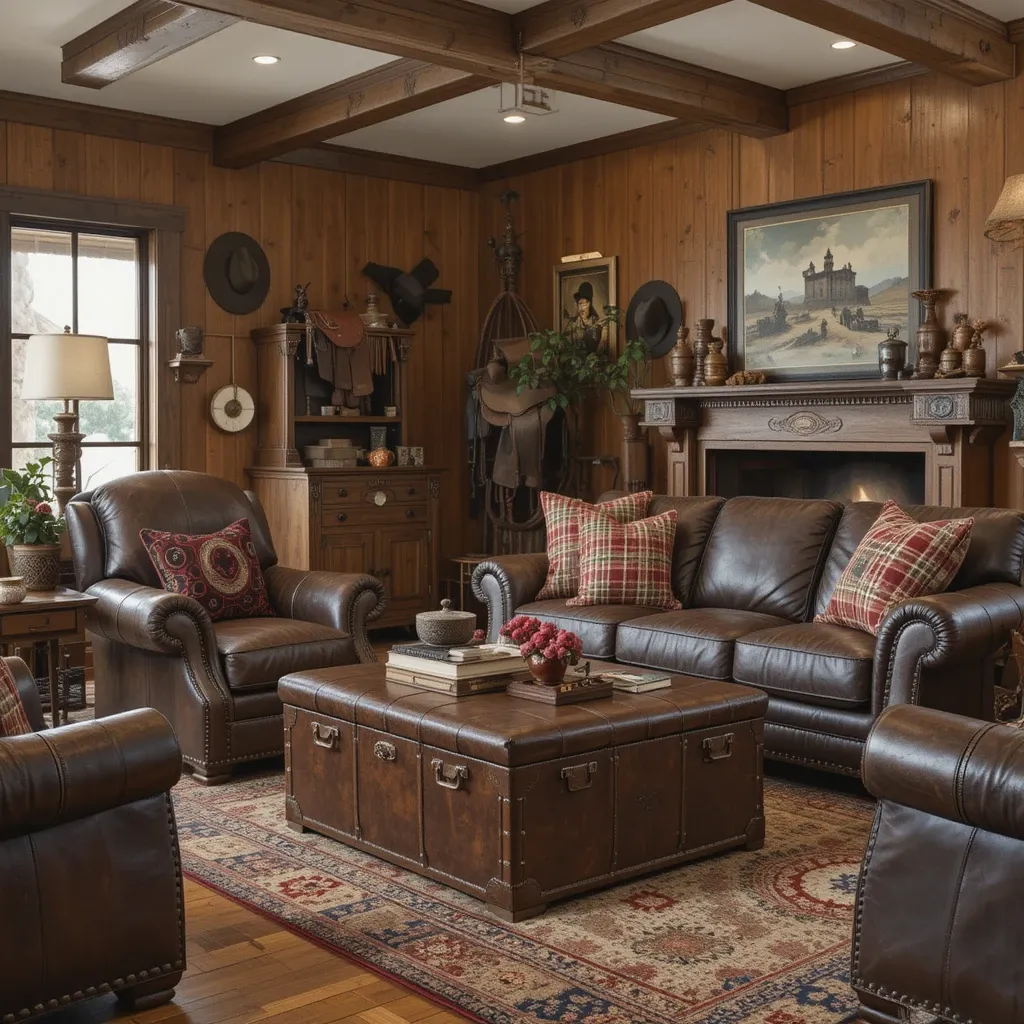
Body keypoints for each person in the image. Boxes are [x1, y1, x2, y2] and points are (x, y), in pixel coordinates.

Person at [563, 281, 608, 349]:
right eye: (580, 304)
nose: (582, 308)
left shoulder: (598, 323)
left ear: (590, 304)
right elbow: (565, 345)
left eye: (585, 303)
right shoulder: (572, 324)